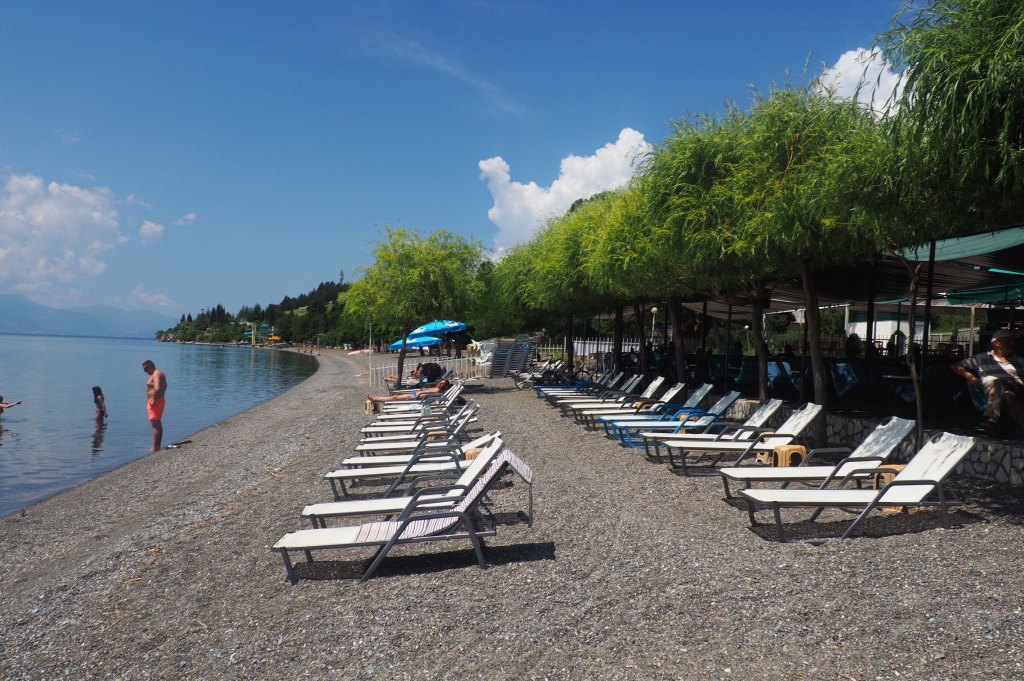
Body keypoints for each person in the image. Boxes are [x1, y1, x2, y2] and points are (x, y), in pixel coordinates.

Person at [952, 329, 1024, 435]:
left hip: (1017, 388)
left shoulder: (1019, 360)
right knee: (1008, 396)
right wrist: (970, 376)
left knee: (998, 382)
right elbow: (955, 366)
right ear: (997, 343)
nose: (1012, 343)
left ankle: (990, 420)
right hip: (991, 390)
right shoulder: (981, 358)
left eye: (1012, 341)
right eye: (1008, 340)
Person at [366, 379, 451, 408]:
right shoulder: (436, 387)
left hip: (417, 397)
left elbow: (426, 396)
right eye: (441, 382)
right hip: (416, 394)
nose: (440, 383)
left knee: (395, 397)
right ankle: (378, 398)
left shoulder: (438, 391)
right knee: (396, 395)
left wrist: (414, 397)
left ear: (445, 386)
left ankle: (377, 399)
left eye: (442, 384)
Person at [142, 359, 167, 451]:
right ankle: (157, 446)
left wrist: (154, 400)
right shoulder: (159, 373)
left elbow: (157, 388)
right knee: (157, 423)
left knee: (155, 424)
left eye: (145, 369)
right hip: (157, 400)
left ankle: (155, 447)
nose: (145, 371)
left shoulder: (156, 373)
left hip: (156, 401)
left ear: (150, 366)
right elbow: (163, 386)